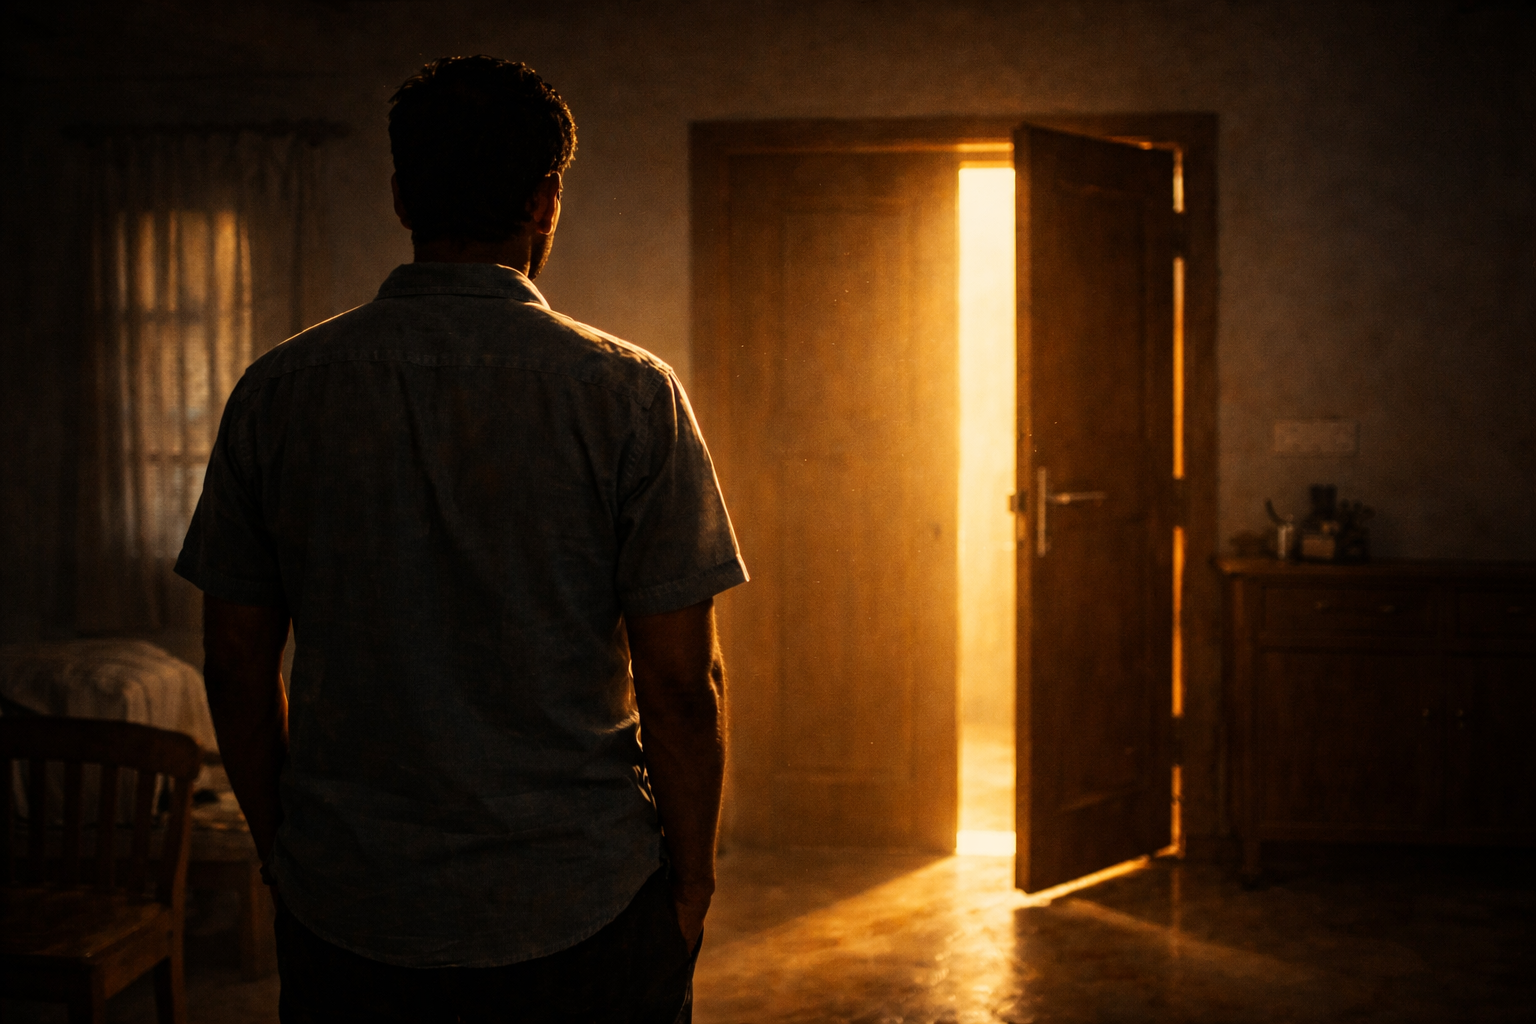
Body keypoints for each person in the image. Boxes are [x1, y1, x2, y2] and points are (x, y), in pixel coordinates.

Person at [176, 55, 747, 1023]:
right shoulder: (631, 397)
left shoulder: (279, 392)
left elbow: (234, 659)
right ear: (545, 202)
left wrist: (287, 852)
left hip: (352, 909)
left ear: (400, 193)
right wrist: (690, 886)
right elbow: (682, 687)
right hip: (581, 908)